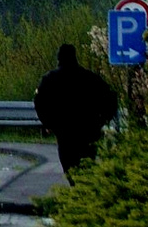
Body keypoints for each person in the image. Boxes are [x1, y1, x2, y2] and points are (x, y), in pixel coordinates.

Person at [32, 43, 117, 180]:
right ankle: (86, 193)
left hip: (64, 132)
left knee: (69, 167)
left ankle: (76, 193)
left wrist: (49, 124)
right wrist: (103, 120)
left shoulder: (50, 79)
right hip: (88, 130)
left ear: (59, 58)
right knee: (88, 168)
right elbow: (111, 98)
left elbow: (39, 103)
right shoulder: (90, 78)